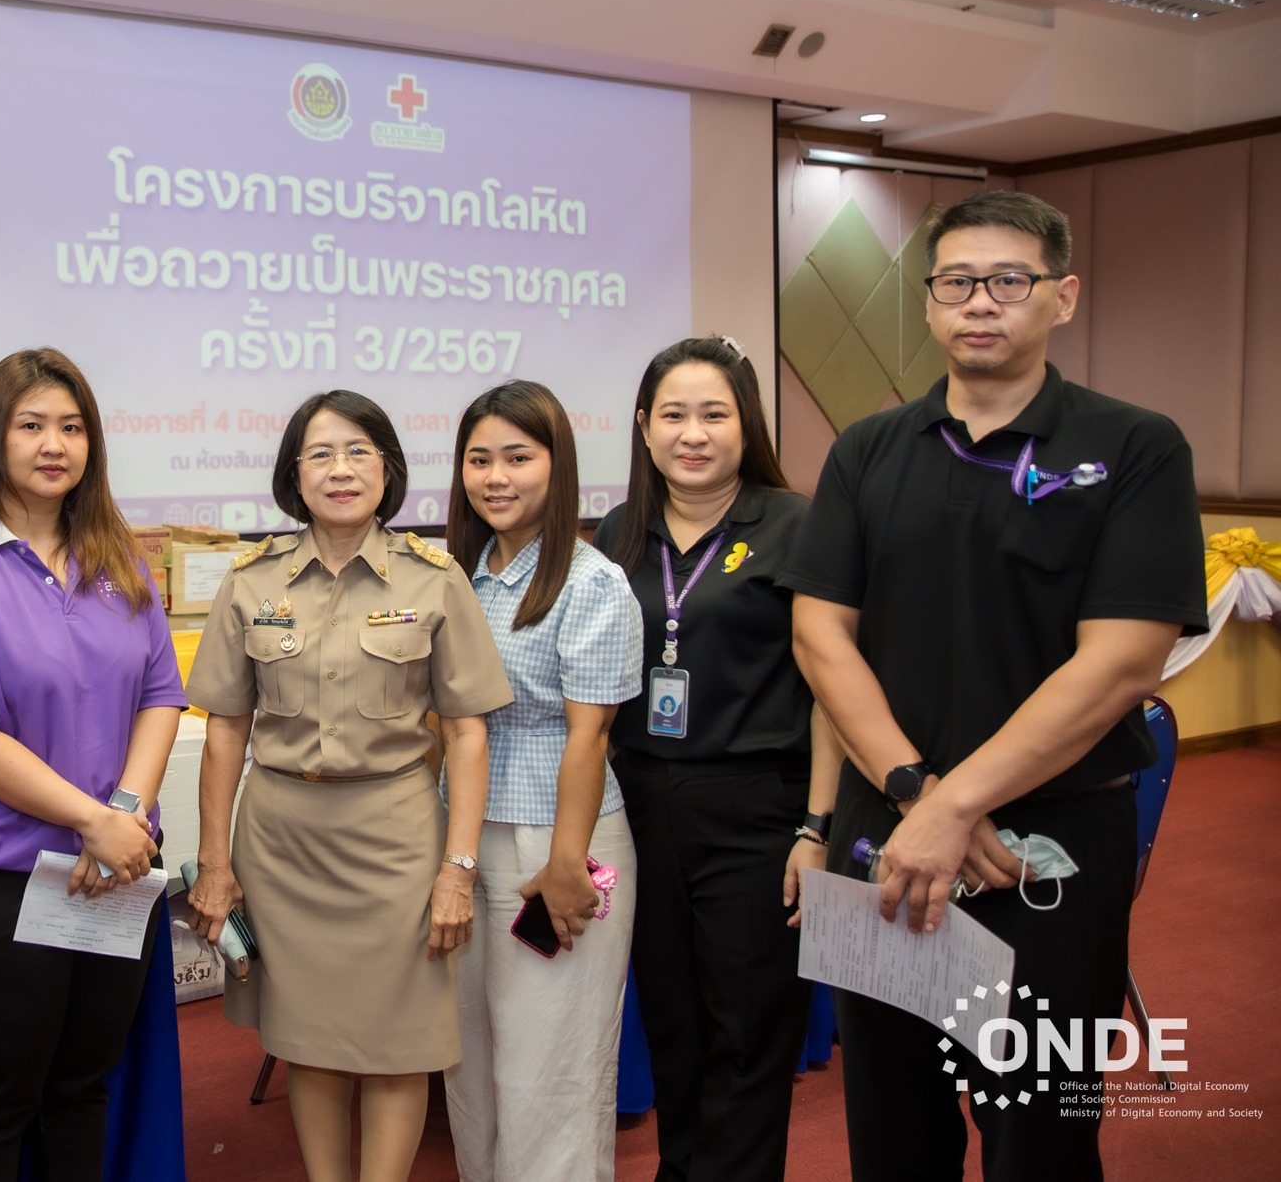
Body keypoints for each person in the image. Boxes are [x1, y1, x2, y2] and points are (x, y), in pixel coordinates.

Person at [782, 190, 1206, 1182]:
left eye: (1009, 281)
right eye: (956, 282)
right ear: (929, 303)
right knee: (891, 1128)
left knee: (1039, 1135)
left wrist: (954, 805)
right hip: (882, 836)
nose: (980, 302)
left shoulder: (1135, 447)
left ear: (1062, 295)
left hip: (1048, 850)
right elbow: (819, 635)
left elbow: (1122, 661)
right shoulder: (865, 449)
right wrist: (915, 796)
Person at [185, 390, 513, 1182]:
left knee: (401, 1042)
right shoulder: (251, 581)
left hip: (395, 839)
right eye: (322, 453)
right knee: (311, 1040)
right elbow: (226, 728)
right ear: (294, 474)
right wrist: (215, 861)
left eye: (360, 451)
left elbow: (468, 732)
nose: (341, 469)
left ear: (388, 470)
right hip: (282, 843)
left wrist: (458, 868)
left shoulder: (434, 579)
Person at [0, 347, 186, 1182]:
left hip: (115, 868)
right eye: (31, 425)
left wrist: (122, 816)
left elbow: (161, 695)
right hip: (2, 882)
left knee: (81, 1092)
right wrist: (94, 819)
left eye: (71, 426)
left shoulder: (120, 559)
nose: (54, 444)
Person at [594, 336, 841, 1182]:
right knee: (672, 1022)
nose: (692, 433)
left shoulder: (797, 525)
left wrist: (817, 827)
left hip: (759, 806)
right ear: (643, 425)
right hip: (640, 804)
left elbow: (834, 692)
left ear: (747, 424)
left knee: (748, 1032)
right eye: (673, 414)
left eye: (714, 413)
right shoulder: (618, 533)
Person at [440, 381, 642, 1182]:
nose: (496, 477)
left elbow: (590, 734)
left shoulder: (590, 581)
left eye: (518, 457)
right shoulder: (458, 574)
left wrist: (566, 862)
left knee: (550, 1070)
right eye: (479, 459)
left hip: (555, 840)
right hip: (462, 837)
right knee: (470, 1061)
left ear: (558, 466)